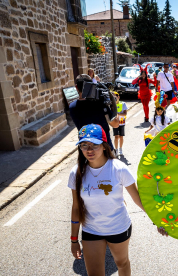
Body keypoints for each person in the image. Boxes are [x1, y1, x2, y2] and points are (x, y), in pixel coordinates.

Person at [69, 124, 145, 276]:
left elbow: (138, 199)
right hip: (92, 230)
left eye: (94, 145)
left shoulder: (119, 168)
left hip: (118, 227)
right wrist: (74, 240)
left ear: (104, 146)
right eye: (84, 145)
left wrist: (159, 220)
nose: (89, 150)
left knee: (122, 263)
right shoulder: (76, 172)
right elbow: (76, 208)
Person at [69, 74, 119, 151]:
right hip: (104, 150)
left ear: (76, 87)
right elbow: (115, 124)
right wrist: (112, 103)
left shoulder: (72, 107)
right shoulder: (100, 103)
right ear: (91, 86)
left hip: (86, 151)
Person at [113, 92, 127, 157]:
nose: (114, 98)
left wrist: (117, 114)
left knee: (121, 136)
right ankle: (116, 150)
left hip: (121, 122)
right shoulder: (111, 104)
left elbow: (125, 113)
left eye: (115, 96)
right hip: (115, 123)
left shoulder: (123, 103)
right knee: (116, 137)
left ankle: (120, 149)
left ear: (118, 97)